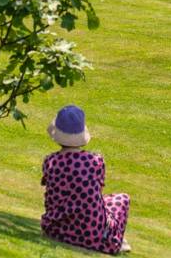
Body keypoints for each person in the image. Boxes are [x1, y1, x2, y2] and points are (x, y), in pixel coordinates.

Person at [41, 105, 131, 255]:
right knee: (122, 199)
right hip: (91, 235)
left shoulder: (50, 161)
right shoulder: (95, 161)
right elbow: (95, 193)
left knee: (103, 202)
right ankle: (112, 237)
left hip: (56, 228)